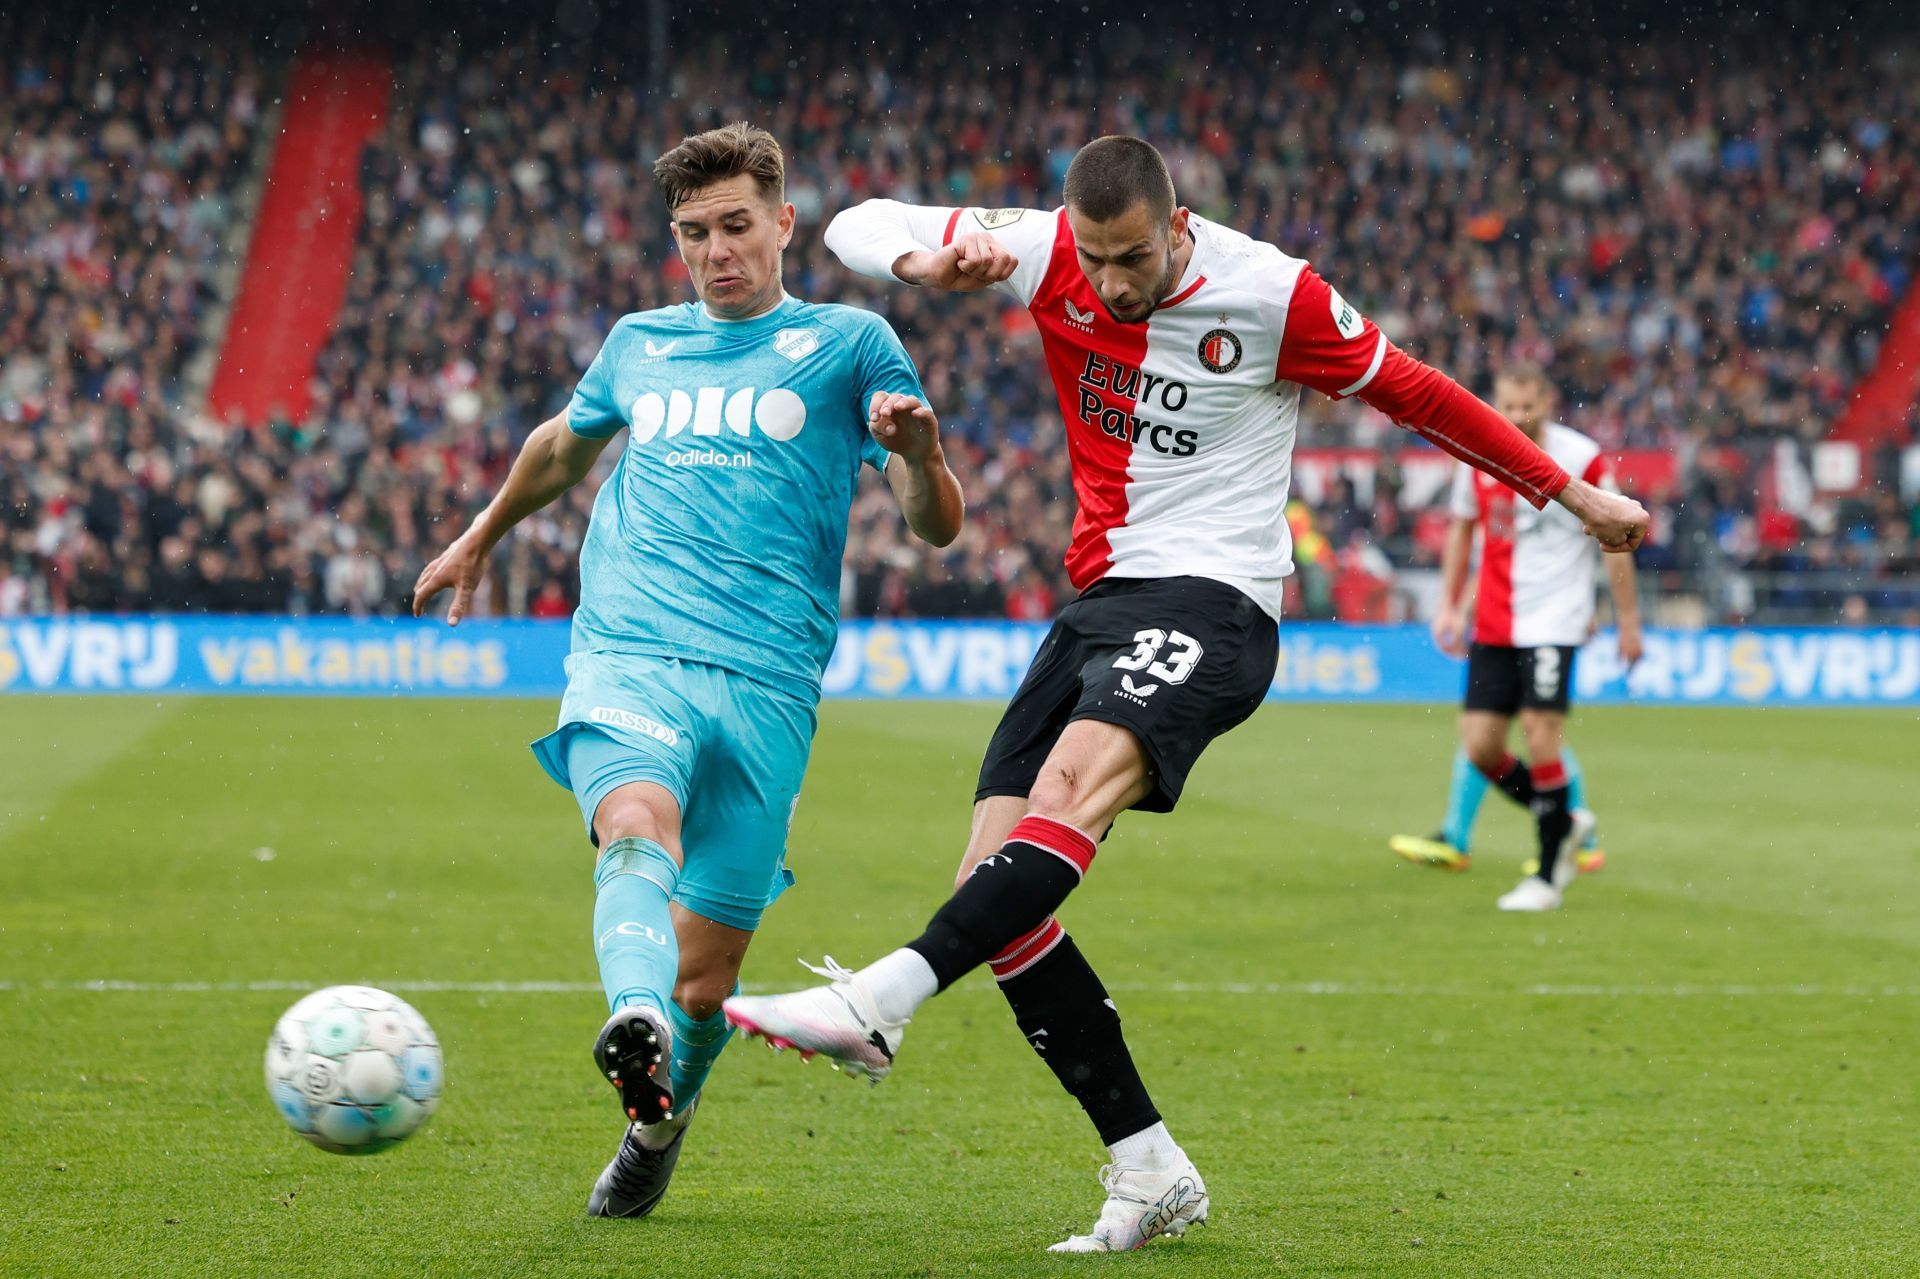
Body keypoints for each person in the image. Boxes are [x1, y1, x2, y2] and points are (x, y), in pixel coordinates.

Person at [722, 136, 1649, 1253]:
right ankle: (1148, 1166)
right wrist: (922, 263)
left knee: (1065, 798)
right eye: (1096, 260)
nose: (1111, 284)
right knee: (995, 888)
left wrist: (1571, 496)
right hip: (1099, 600)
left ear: (1176, 225)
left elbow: (1422, 396)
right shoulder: (1044, 249)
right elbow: (853, 219)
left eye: (1131, 259)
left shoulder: (1271, 292)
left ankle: (878, 999)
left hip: (1215, 600)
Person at [412, 122, 962, 1219]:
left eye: (736, 227)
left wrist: (919, 451)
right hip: (630, 648)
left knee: (708, 978)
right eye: (693, 232)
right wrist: (481, 535)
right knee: (633, 823)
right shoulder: (637, 342)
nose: (716, 251)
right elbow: (561, 447)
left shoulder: (852, 345)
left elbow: (934, 526)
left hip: (770, 683)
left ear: (784, 223)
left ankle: (657, 1123)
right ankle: (635, 1011)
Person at [1389, 363, 1644, 910]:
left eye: (1528, 405)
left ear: (1546, 399)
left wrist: (1627, 621)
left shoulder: (1583, 457)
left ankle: (1548, 876)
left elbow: (1617, 538)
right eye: (1509, 406)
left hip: (1555, 618)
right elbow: (1463, 529)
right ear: (1497, 401)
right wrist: (1452, 606)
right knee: (1481, 747)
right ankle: (1565, 819)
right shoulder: (1478, 450)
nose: (1519, 417)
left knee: (1539, 731)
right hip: (1496, 620)